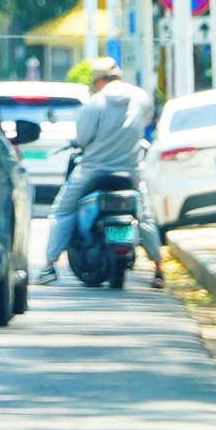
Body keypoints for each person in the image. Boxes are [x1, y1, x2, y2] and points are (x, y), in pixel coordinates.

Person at [41, 57, 149, 282]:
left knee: (62, 211)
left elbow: (82, 138)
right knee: (146, 215)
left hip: (92, 172)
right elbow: (144, 124)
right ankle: (159, 270)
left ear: (98, 80)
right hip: (130, 171)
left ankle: (49, 266)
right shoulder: (141, 98)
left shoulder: (96, 103)